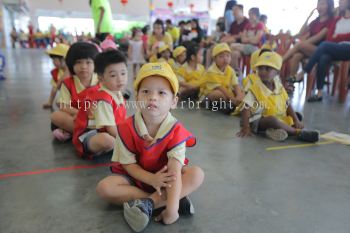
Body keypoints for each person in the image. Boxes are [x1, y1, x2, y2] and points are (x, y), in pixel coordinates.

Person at [96, 62, 204, 232]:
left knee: (197, 174)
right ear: (137, 97)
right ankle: (171, 198)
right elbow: (128, 165)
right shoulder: (125, 127)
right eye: (146, 92)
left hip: (167, 179)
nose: (153, 97)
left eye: (162, 93)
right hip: (136, 178)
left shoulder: (177, 131)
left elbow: (174, 172)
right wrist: (152, 180)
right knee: (104, 188)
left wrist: (172, 211)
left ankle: (150, 204)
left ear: (174, 101)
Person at [237, 51, 320, 142]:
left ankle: (273, 131)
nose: (263, 71)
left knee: (295, 115)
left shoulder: (279, 85)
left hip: (277, 115)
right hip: (257, 121)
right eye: (260, 68)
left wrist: (296, 120)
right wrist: (246, 127)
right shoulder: (255, 88)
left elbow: (287, 103)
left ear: (277, 72)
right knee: (272, 120)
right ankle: (297, 132)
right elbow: (246, 107)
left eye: (268, 69)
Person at [73, 50, 127, 158]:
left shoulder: (117, 92)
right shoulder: (103, 99)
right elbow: (111, 129)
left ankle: (117, 146)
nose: (120, 79)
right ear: (101, 78)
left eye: (123, 73)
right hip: (89, 135)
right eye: (113, 75)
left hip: (106, 131)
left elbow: (122, 119)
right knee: (108, 140)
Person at [50, 42, 100, 141]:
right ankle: (88, 133)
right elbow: (63, 105)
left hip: (97, 118)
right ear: (71, 65)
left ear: (96, 64)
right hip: (76, 117)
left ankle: (77, 132)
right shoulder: (68, 83)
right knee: (55, 116)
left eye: (88, 62)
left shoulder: (101, 81)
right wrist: (80, 113)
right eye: (78, 62)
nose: (84, 66)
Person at [302, 0, 350, 102]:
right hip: (336, 48)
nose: (340, 2)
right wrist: (339, 38)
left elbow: (339, 37)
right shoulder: (337, 19)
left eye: (342, 0)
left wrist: (338, 37)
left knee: (324, 45)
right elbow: (329, 38)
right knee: (323, 57)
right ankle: (319, 93)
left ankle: (304, 71)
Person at [283, 0, 335, 82]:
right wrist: (308, 17)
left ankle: (280, 62)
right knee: (296, 56)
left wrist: (300, 45)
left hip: (323, 51)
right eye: (318, 4)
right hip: (310, 50)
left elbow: (318, 37)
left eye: (322, 4)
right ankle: (290, 84)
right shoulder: (315, 21)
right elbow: (301, 32)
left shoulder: (331, 20)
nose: (319, 6)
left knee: (299, 45)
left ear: (329, 6)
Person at [200, 43, 244, 114]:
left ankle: (229, 106)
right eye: (221, 56)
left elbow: (236, 85)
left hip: (226, 95)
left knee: (242, 93)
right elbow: (220, 88)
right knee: (218, 94)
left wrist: (239, 95)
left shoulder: (231, 70)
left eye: (228, 56)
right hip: (209, 95)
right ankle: (225, 107)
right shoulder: (211, 71)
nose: (225, 58)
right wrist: (232, 98)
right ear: (214, 59)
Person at [43, 44, 70, 109]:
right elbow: (54, 88)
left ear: (64, 59)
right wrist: (50, 102)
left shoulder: (75, 70)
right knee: (58, 102)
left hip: (79, 96)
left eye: (55, 60)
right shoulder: (56, 73)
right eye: (53, 60)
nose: (53, 62)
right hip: (67, 97)